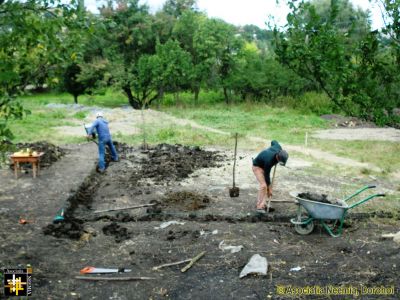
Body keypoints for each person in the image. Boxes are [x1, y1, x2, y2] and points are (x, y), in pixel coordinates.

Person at [252, 140, 288, 212]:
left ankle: (263, 204)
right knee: (264, 186)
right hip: (257, 167)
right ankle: (259, 206)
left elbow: (273, 141)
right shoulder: (269, 160)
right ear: (277, 157)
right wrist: (269, 189)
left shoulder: (278, 148)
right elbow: (267, 176)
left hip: (264, 166)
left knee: (267, 187)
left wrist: (269, 188)